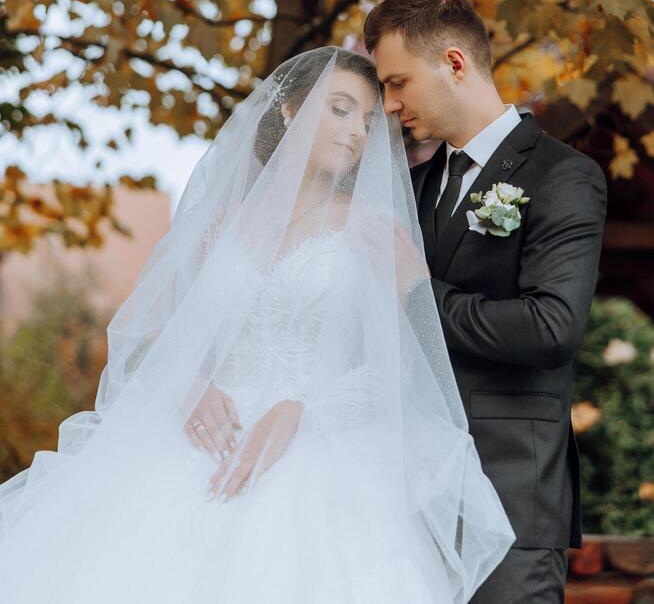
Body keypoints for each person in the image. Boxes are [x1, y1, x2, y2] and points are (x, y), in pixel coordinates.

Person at [0, 45, 514, 604]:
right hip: (194, 442)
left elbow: (395, 364)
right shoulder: (222, 220)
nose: (357, 132)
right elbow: (160, 336)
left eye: (368, 121)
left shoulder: (372, 228)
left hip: (323, 450)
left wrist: (307, 408)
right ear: (290, 111)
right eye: (340, 109)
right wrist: (189, 385)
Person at [364, 0, 608, 604]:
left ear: (453, 63)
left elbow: (551, 328)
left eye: (398, 83)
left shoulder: (562, 176)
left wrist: (420, 293)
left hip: (510, 500)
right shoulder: (407, 186)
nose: (390, 105)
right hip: (399, 500)